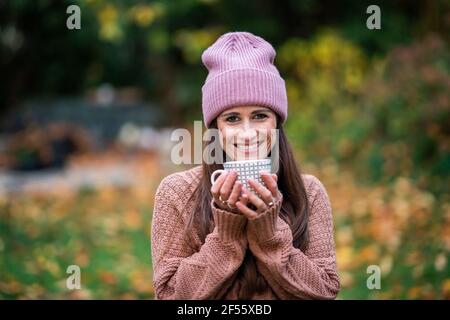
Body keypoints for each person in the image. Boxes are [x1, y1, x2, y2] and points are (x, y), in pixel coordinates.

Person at [151, 31, 340, 299]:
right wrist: (227, 234)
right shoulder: (177, 193)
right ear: (215, 127)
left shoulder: (309, 192)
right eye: (232, 119)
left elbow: (325, 291)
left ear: (277, 122)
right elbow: (169, 295)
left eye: (260, 115)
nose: (248, 133)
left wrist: (269, 232)